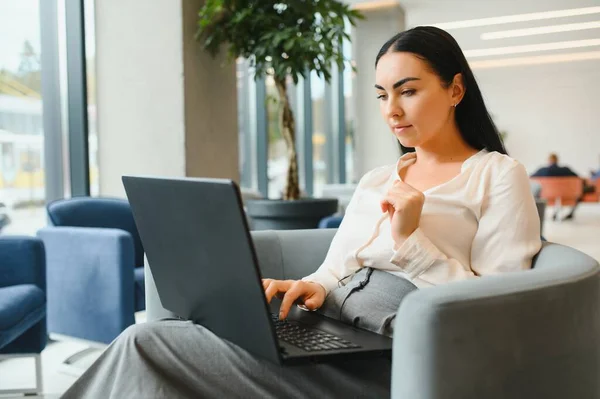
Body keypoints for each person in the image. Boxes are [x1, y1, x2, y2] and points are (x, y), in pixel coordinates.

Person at [63, 26, 541, 398]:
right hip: (331, 335)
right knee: (171, 335)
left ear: (455, 90)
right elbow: (336, 269)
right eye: (381, 95)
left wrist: (411, 241)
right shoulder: (379, 178)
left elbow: (498, 314)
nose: (391, 109)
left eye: (408, 90)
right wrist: (313, 285)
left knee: (146, 344)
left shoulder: (498, 175)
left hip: (397, 362)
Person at [531, 153, 595, 220]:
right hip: (567, 196)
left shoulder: (542, 170)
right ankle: (571, 213)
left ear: (548, 160)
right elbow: (578, 178)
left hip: (545, 197)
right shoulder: (566, 170)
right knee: (581, 190)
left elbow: (531, 178)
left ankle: (538, 216)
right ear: (557, 160)